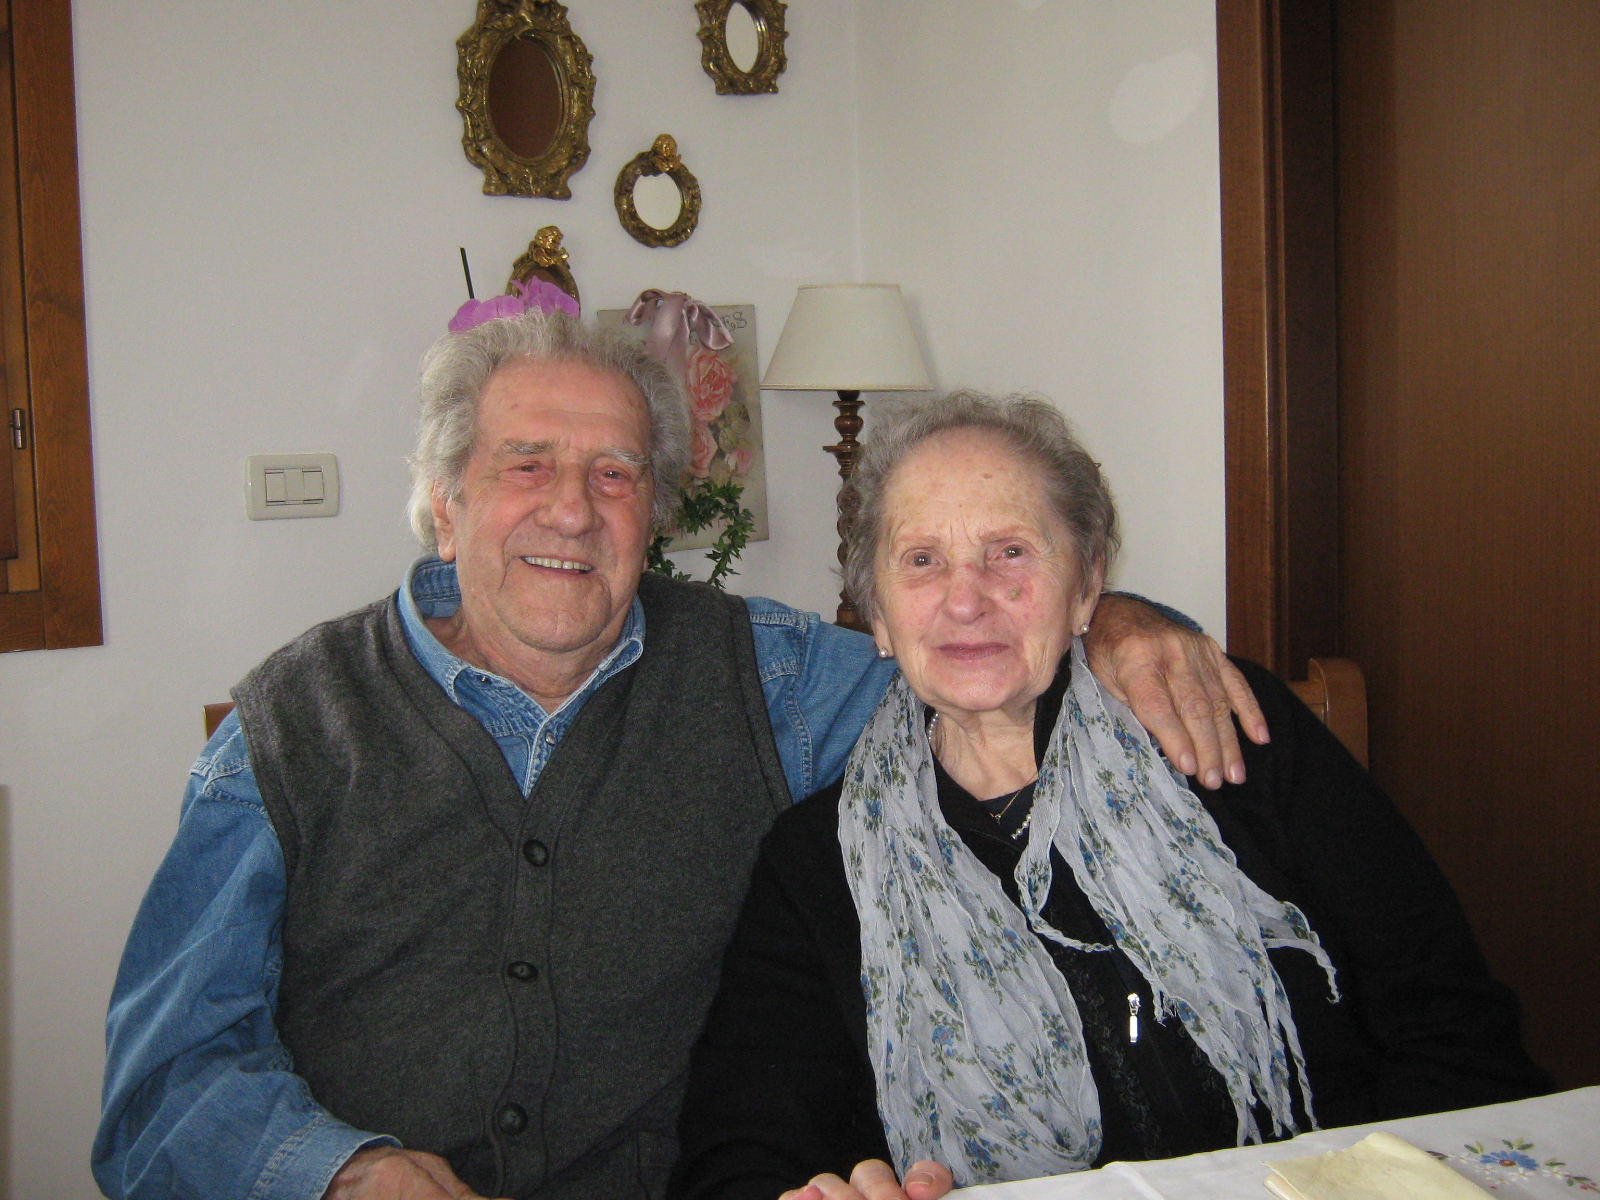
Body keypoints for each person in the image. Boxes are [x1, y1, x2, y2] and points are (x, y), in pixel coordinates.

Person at [92, 310, 1263, 1200]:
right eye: (526, 464)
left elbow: (974, 663)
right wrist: (343, 1173)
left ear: (654, 516)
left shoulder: (773, 681)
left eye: (614, 473)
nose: (572, 509)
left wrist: (1115, 622)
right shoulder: (292, 727)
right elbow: (161, 1086)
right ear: (444, 506)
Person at [669, 392, 1551, 1200]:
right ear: (879, 615)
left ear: (1088, 584)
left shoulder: (1222, 729)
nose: (966, 599)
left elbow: (1454, 1030)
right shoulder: (817, 863)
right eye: (922, 560)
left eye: (1010, 552)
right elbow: (741, 1152)